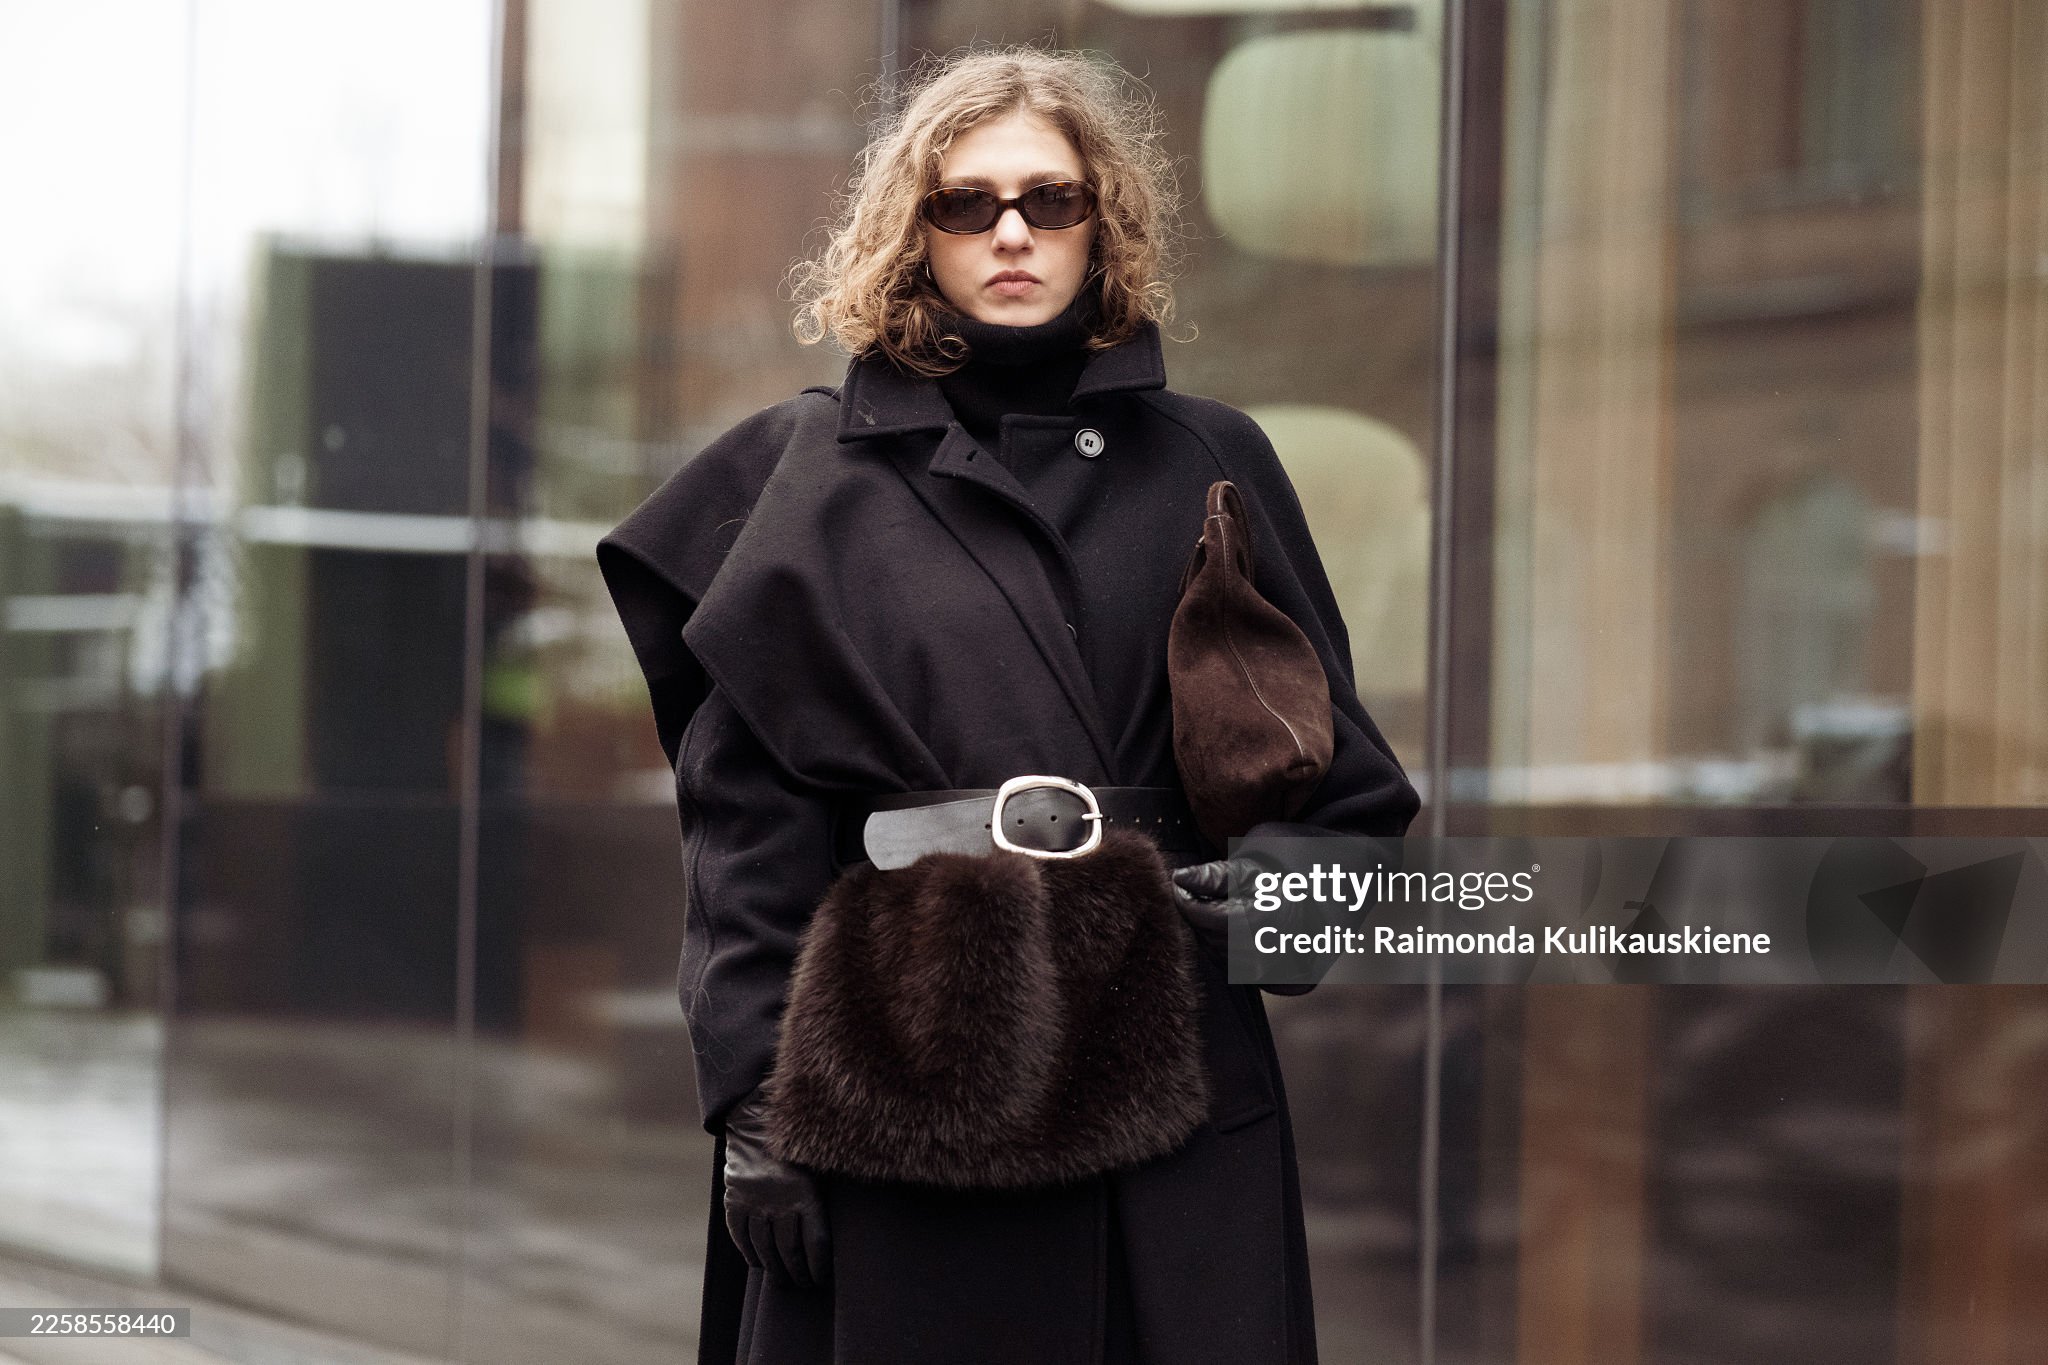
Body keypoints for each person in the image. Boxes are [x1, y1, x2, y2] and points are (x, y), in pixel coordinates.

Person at [597, 44, 1419, 1365]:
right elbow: (745, 843)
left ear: (1108, 219)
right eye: (966, 203)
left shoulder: (1213, 460)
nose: (1014, 233)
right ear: (910, 230)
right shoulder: (807, 482)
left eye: (1053, 198)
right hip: (897, 1097)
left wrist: (1268, 895)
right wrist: (753, 1108)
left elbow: (1356, 800)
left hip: (1174, 1098)